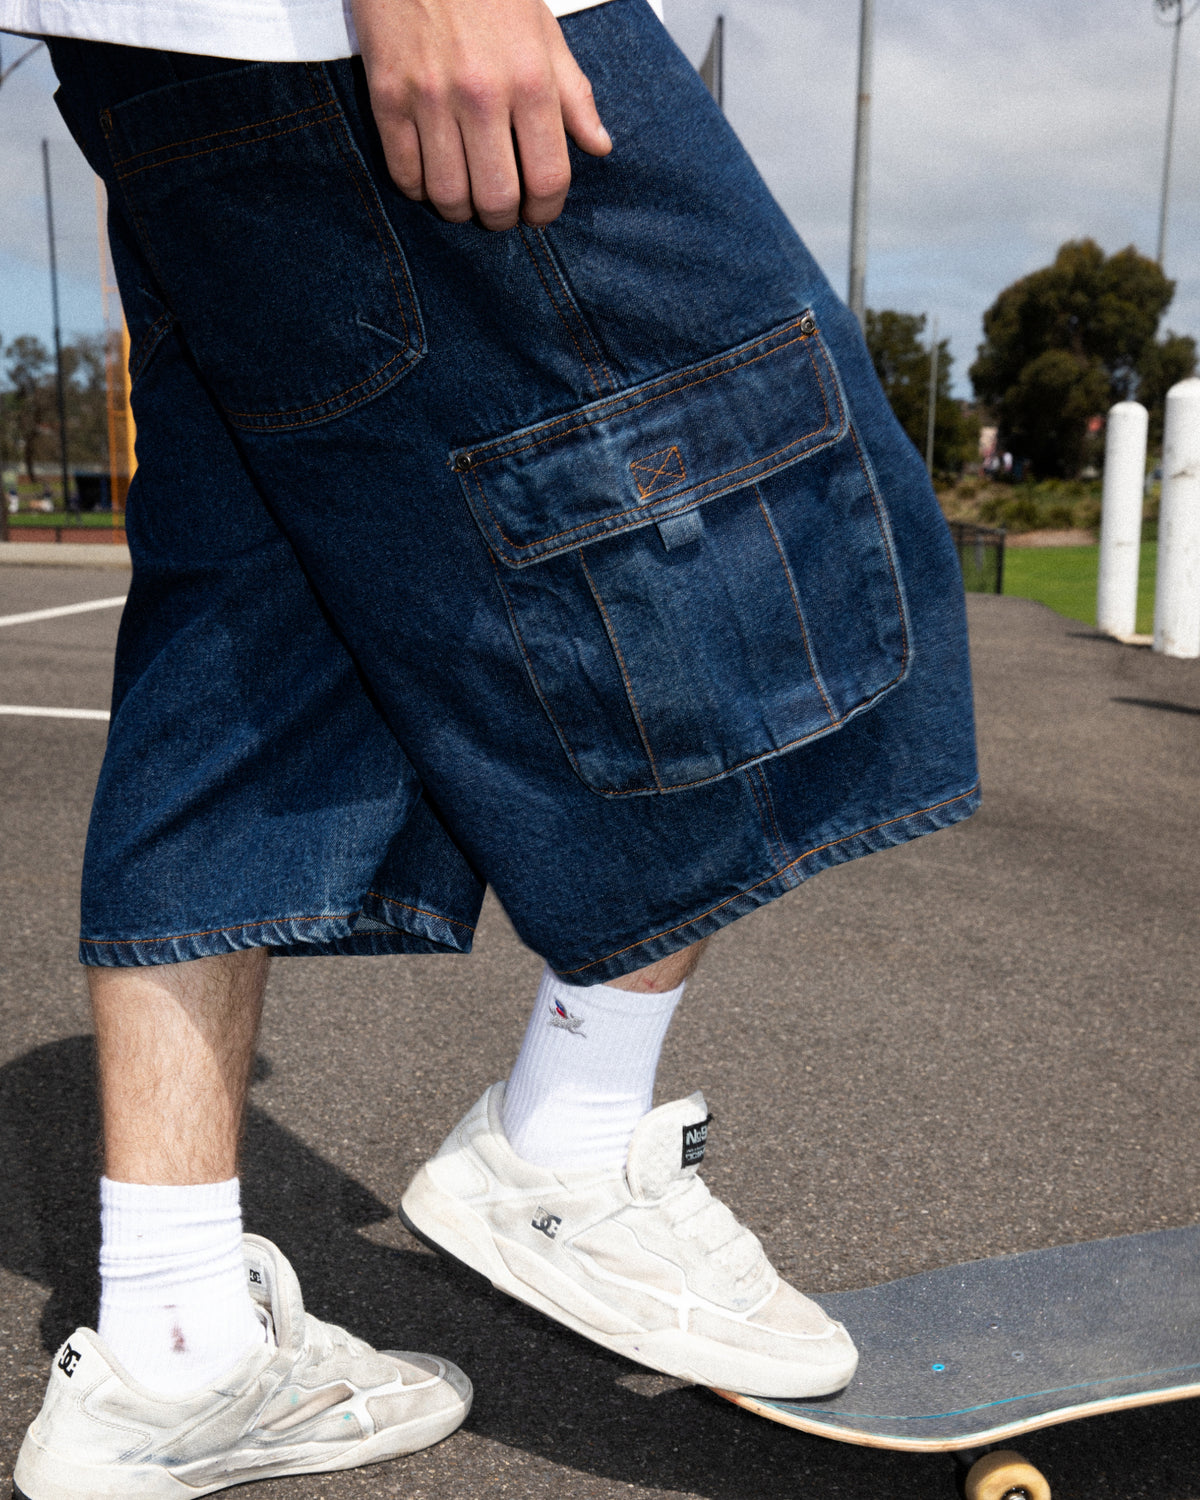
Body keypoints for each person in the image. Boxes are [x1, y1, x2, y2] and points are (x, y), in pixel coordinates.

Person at [3, 0, 980, 1494]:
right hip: (340, 32)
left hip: (159, 49)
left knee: (252, 635)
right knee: (793, 489)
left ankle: (174, 1345)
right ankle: (569, 1150)